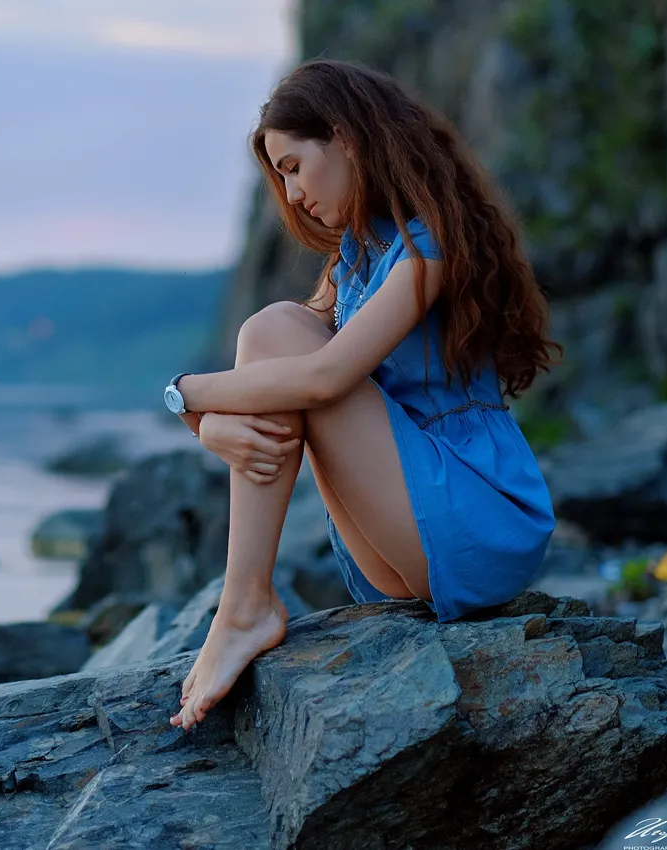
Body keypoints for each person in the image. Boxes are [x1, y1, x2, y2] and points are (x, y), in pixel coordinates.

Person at [161, 59, 562, 731]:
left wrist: (184, 395)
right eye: (279, 177)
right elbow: (279, 368)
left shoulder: (429, 248)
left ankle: (243, 608)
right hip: (403, 540)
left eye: (293, 166)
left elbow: (323, 378)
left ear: (345, 137)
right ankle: (246, 605)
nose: (290, 196)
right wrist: (208, 426)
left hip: (480, 521)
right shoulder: (356, 259)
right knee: (275, 328)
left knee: (285, 341)